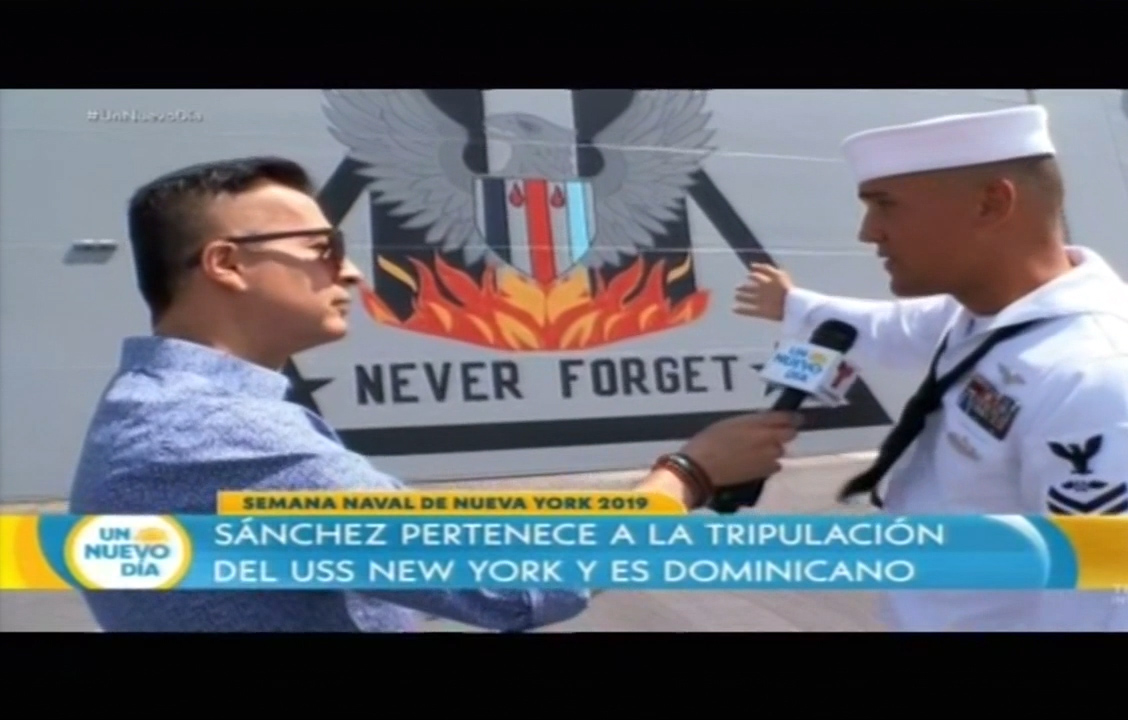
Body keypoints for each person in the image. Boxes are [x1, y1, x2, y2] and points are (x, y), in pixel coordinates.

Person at [68, 156, 803, 633]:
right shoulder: (222, 434)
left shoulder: (173, 406)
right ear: (225, 264)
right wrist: (688, 475)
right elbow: (510, 585)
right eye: (323, 249)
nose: (351, 273)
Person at [732, 106, 1128, 632]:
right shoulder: (982, 315)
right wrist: (795, 305)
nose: (868, 232)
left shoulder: (1106, 375)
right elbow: (888, 328)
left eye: (885, 205)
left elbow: (1106, 608)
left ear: (992, 203)